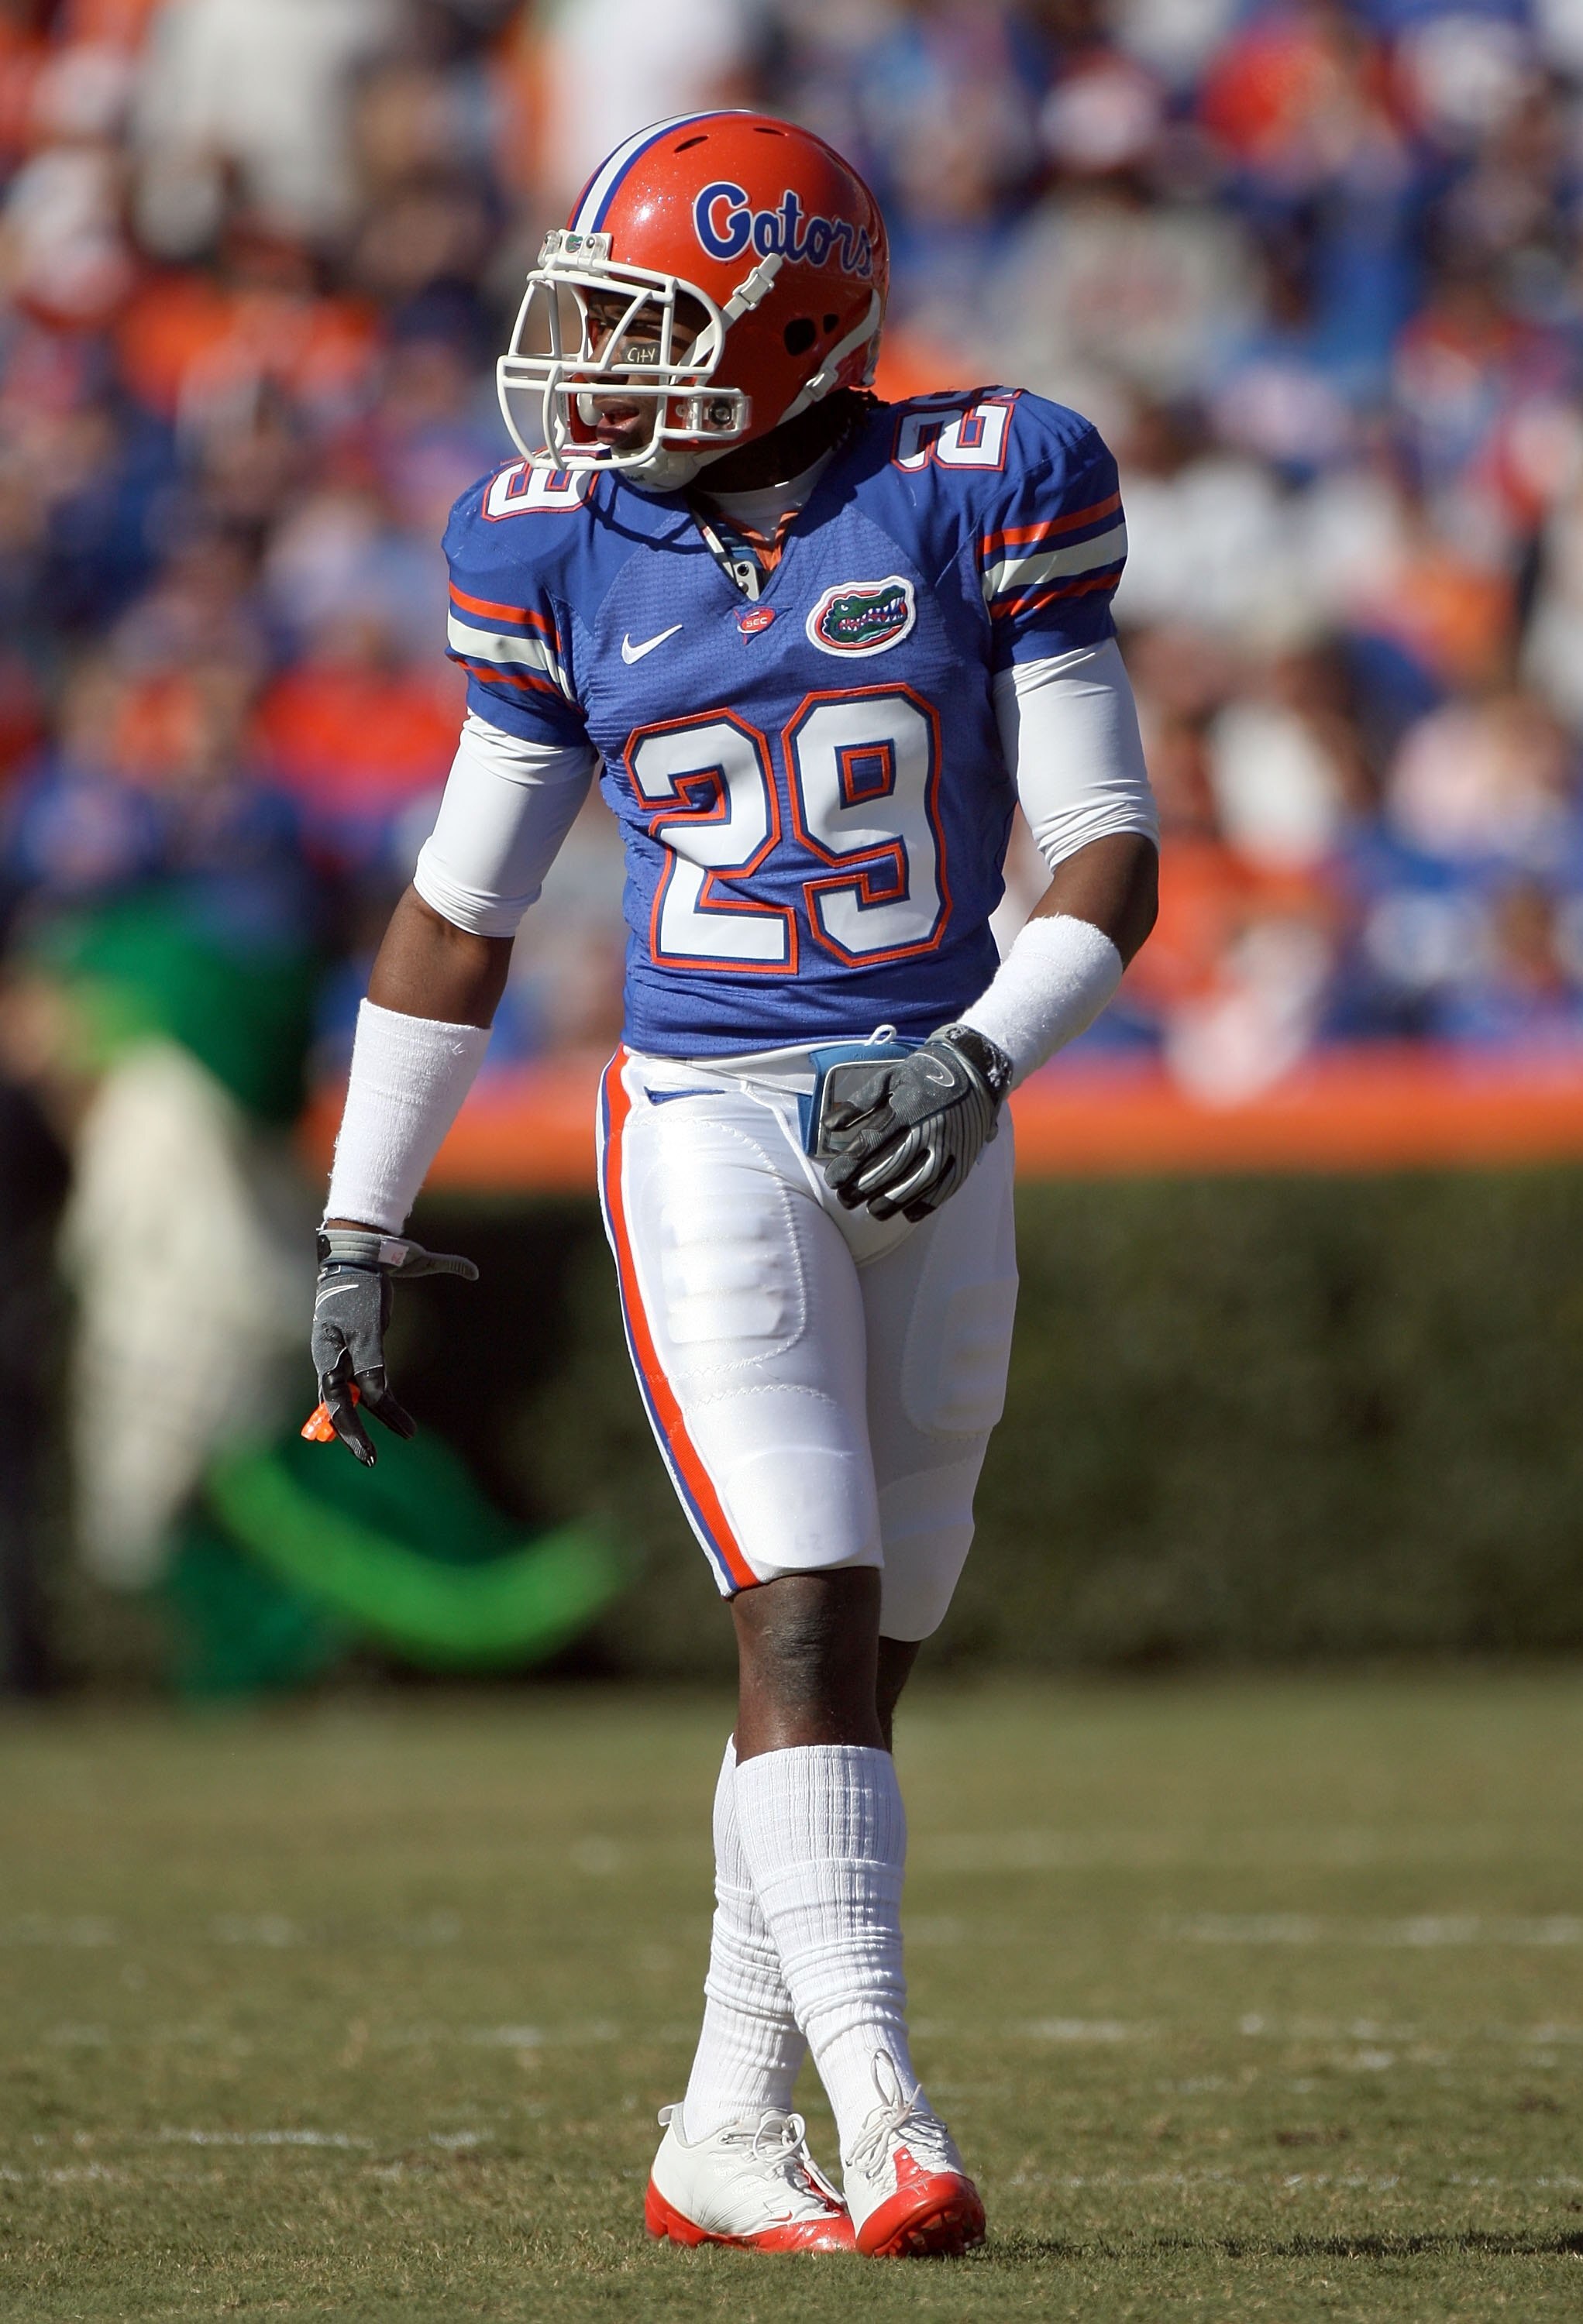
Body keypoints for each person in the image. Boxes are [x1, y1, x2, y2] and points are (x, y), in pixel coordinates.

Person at [310, 111, 1158, 2260]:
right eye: (581, 315)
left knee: (878, 1636)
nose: (583, 369)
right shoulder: (548, 543)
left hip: (935, 1107)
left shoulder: (989, 483)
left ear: (791, 333)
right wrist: (357, 1213)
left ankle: (716, 2123)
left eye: (638, 325)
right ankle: (889, 2124)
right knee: (799, 1590)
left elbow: (1105, 851)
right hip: (701, 1120)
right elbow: (457, 908)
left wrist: (978, 1059)